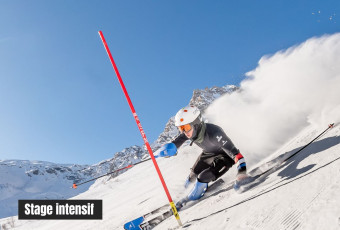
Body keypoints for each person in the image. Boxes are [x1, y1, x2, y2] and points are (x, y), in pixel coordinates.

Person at [157, 105, 247, 210]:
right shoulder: (190, 132)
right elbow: (177, 142)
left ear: (196, 124)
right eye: (181, 129)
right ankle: (184, 195)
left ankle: (188, 199)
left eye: (186, 128)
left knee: (203, 177)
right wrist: (168, 149)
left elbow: (236, 154)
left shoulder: (214, 133)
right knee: (191, 177)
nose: (184, 132)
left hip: (225, 156)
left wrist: (242, 174)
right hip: (208, 154)